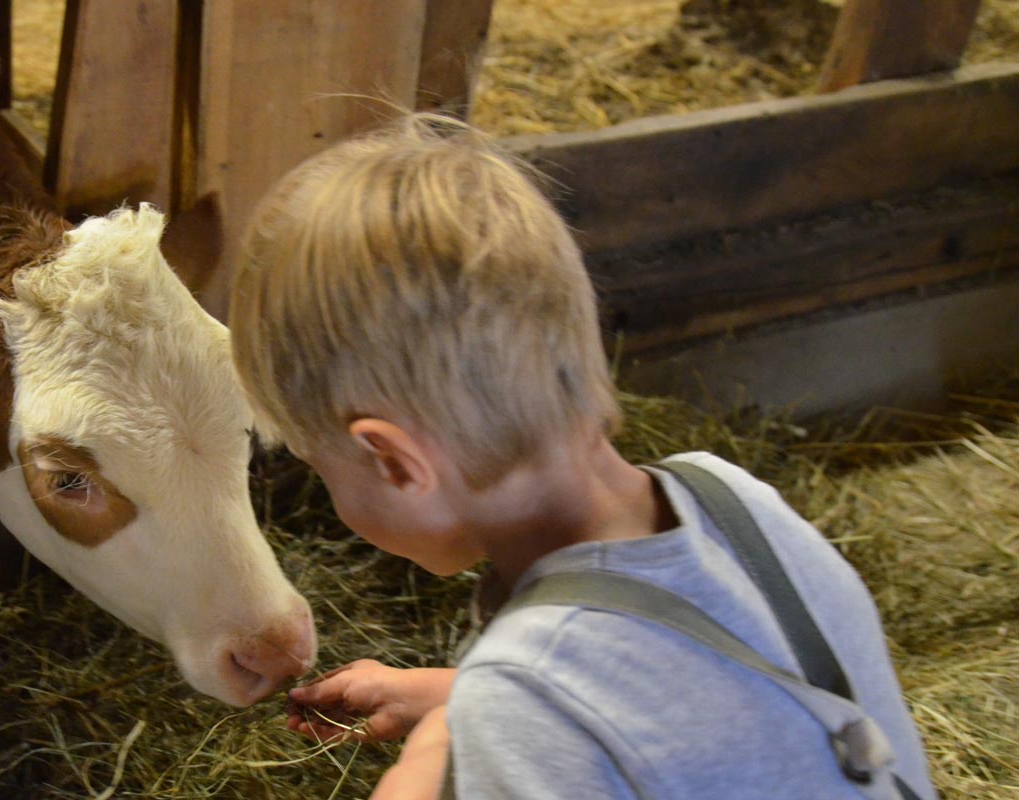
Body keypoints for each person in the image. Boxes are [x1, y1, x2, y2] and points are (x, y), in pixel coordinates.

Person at [227, 113, 934, 799]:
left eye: (321, 473)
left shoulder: (529, 700)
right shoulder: (731, 501)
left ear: (394, 463)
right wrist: (456, 702)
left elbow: (555, 709)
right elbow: (712, 709)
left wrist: (430, 764)